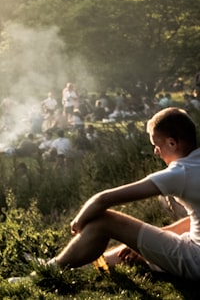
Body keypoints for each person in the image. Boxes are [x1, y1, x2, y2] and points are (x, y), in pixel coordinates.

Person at [38, 107, 200, 279]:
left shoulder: (180, 173)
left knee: (104, 221)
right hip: (193, 246)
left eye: (156, 146)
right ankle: (77, 267)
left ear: (172, 143)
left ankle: (44, 272)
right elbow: (193, 219)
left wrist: (78, 223)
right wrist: (152, 239)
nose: (156, 152)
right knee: (127, 251)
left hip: (195, 260)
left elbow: (103, 199)